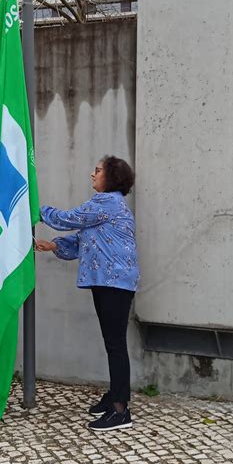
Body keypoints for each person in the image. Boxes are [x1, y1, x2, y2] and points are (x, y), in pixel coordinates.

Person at [35, 155, 139, 432]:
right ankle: (115, 395)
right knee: (112, 342)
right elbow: (83, 239)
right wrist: (54, 246)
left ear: (111, 177)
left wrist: (35, 208)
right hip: (110, 281)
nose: (92, 174)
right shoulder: (109, 207)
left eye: (97, 171)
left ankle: (120, 410)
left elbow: (70, 219)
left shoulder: (106, 202)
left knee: (115, 344)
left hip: (114, 282)